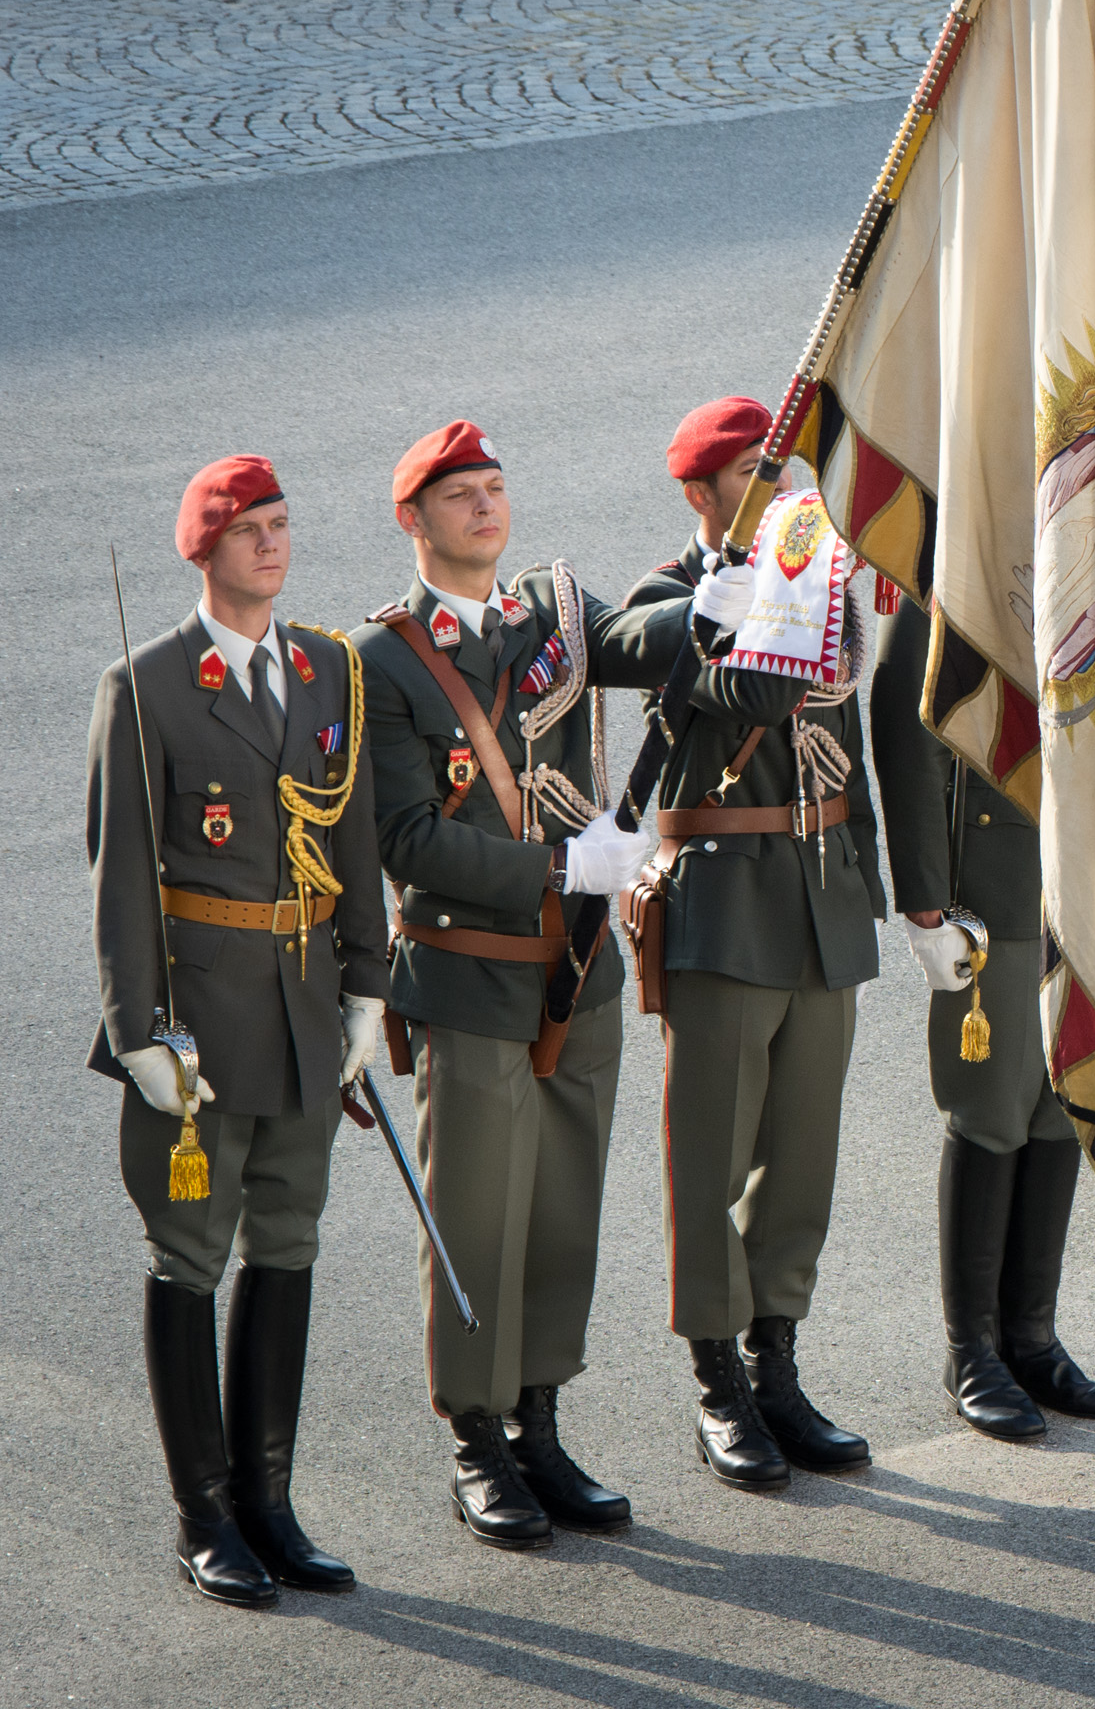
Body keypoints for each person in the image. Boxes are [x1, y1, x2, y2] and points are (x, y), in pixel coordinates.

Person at [354, 422, 689, 1545]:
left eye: (495, 487)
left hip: (578, 972)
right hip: (471, 976)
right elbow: (407, 838)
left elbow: (637, 641)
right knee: (477, 1215)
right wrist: (558, 867)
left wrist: (716, 604)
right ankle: (476, 1438)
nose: (486, 507)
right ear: (413, 519)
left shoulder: (553, 608)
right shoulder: (384, 659)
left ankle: (539, 1424)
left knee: (561, 1211)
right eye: (461, 494)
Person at [90, 455, 388, 1605]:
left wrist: (368, 984)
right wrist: (139, 1032)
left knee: (289, 1240)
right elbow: (122, 875)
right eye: (249, 527)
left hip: (306, 1005)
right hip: (201, 1024)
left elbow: (352, 832)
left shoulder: (325, 669)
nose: (272, 542)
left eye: (281, 522)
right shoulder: (151, 684)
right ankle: (204, 1514)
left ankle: (270, 1501)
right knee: (189, 1253)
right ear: (203, 548)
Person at [628, 395, 887, 1487]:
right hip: (725, 908)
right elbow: (737, 686)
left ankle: (776, 1364)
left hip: (822, 897)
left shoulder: (817, 590)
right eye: (755, 476)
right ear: (702, 494)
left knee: (801, 1160)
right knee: (712, 1156)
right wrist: (738, 603)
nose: (784, 493)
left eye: (788, 474)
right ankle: (716, 1382)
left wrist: (872, 886)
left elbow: (846, 742)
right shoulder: (671, 600)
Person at [869, 604, 1095, 1442]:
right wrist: (925, 898)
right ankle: (971, 1350)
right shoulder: (958, 539)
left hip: (1089, 866)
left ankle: (1031, 1338)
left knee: (1060, 1099)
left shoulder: (1092, 537)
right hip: (992, 873)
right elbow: (903, 712)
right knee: (993, 1103)